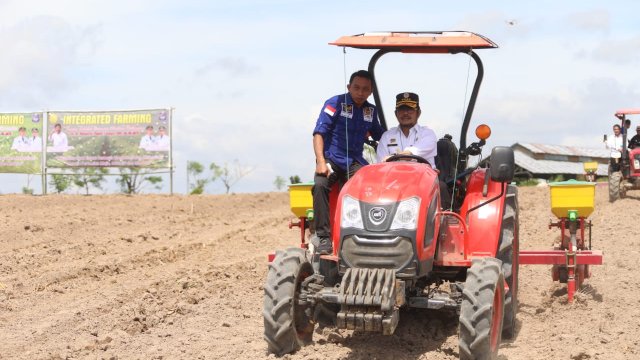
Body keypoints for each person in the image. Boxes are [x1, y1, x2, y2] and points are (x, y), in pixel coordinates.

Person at [311, 70, 384, 254]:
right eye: (356, 88)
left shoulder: (371, 111)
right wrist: (320, 161)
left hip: (355, 161)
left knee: (371, 187)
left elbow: (381, 137)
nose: (360, 92)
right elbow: (319, 133)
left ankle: (367, 235)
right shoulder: (334, 103)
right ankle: (323, 237)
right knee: (320, 185)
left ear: (371, 91)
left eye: (365, 89)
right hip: (332, 159)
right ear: (349, 87)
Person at [377, 92, 451, 209]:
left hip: (424, 183)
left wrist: (395, 157)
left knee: (441, 187)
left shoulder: (427, 134)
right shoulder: (386, 136)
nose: (405, 113)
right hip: (394, 184)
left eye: (410, 109)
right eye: (402, 110)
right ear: (396, 113)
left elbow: (411, 153)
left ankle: (444, 222)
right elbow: (381, 166)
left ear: (418, 113)